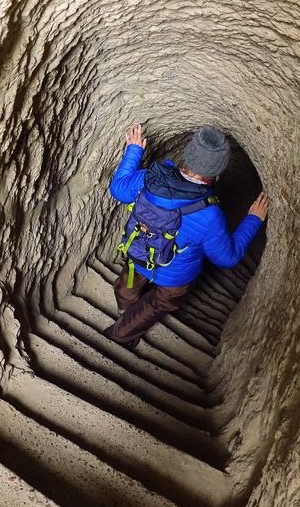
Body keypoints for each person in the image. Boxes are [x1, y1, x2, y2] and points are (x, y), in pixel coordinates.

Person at [105, 123, 269, 349]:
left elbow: (118, 189)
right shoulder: (209, 214)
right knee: (157, 304)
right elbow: (227, 257)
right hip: (174, 278)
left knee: (128, 285)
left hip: (138, 256)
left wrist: (134, 150)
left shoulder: (150, 178)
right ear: (218, 172)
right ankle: (122, 333)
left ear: (188, 155)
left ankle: (124, 308)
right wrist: (253, 219)